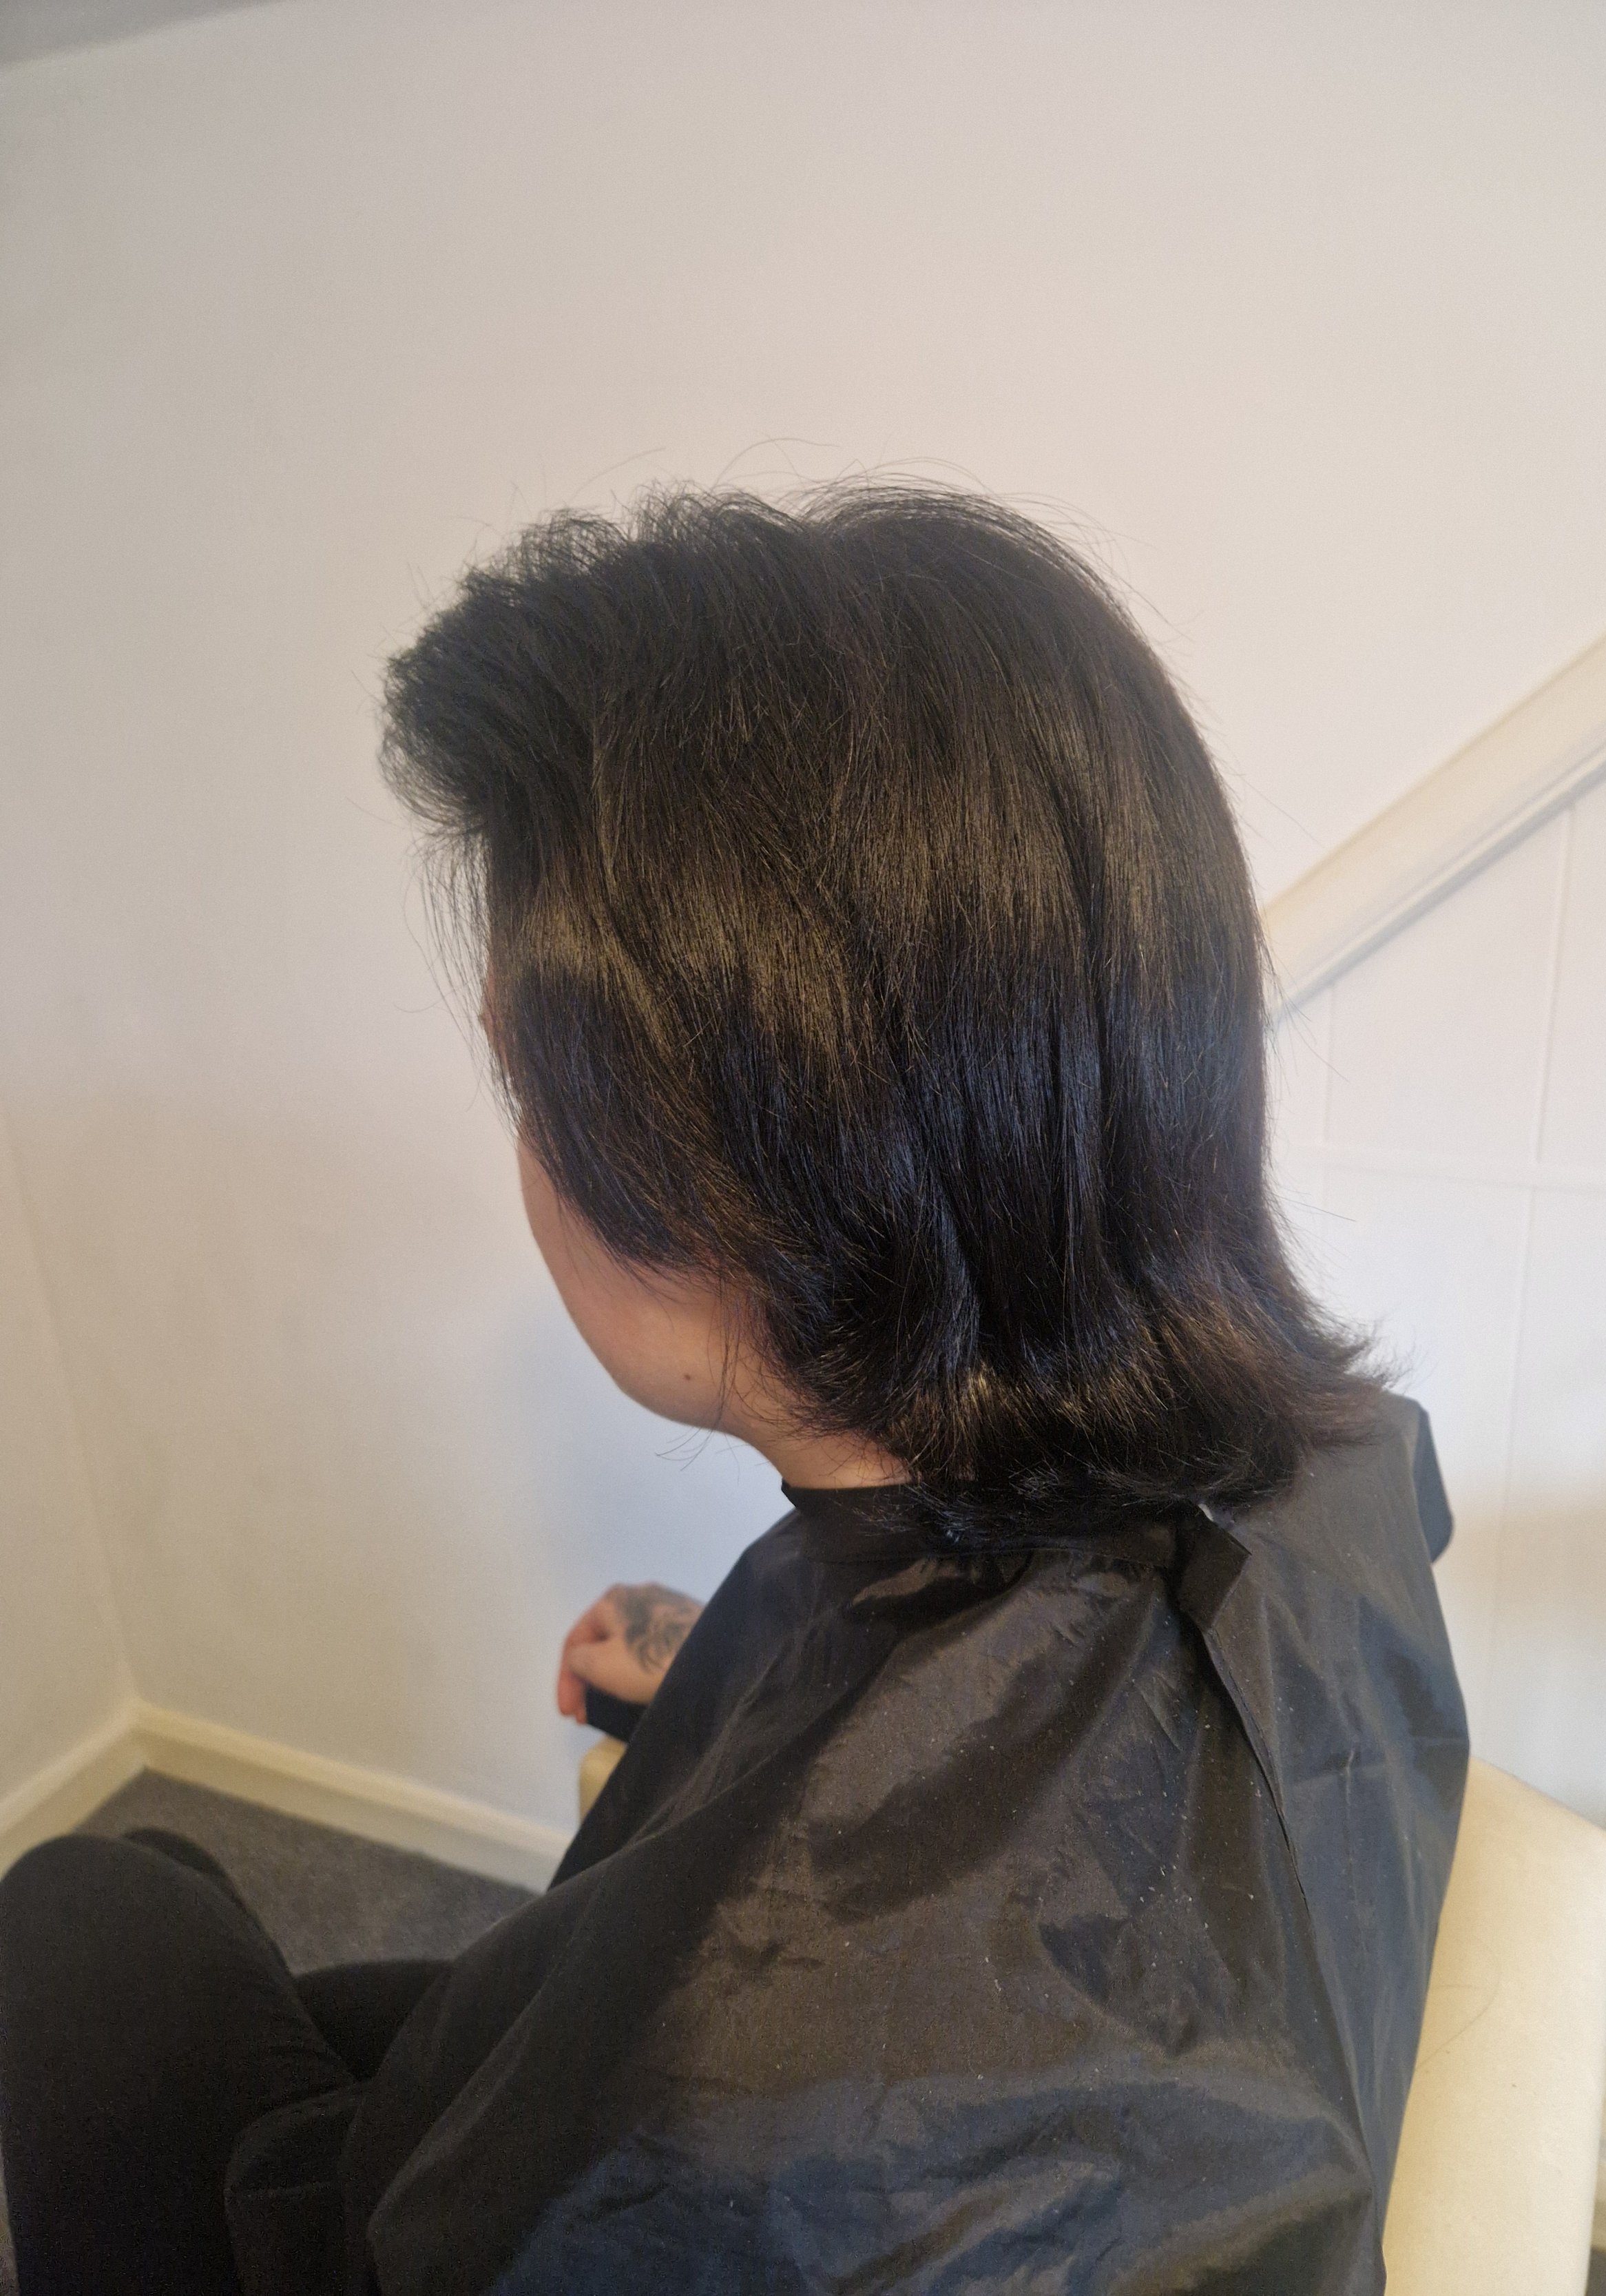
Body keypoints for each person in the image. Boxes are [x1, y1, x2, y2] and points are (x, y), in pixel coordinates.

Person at [0, 489, 1467, 2295]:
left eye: (523, 1092)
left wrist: (793, 1764)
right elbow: (1001, 1754)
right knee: (286, 1964)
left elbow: (685, 2125)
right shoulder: (1324, 1478)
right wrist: (749, 1680)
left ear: (743, 1201)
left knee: (98, 1910)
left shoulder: (717, 2100)